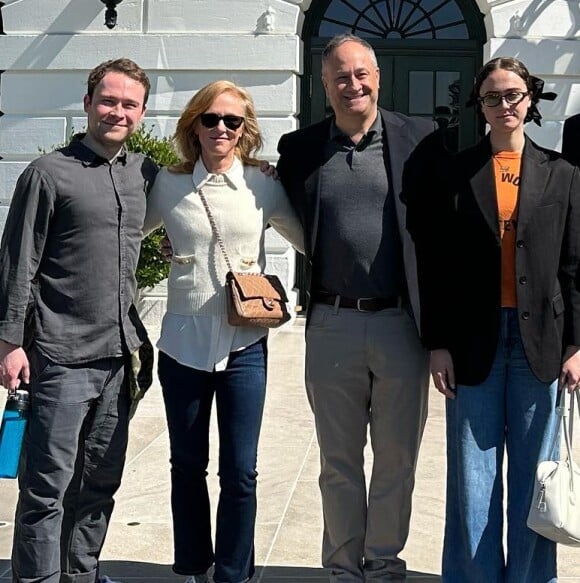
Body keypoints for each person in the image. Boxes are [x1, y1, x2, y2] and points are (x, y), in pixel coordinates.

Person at [405, 57, 580, 582]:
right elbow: (434, 266)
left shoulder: (564, 174)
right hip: (470, 344)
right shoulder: (456, 174)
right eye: (492, 97)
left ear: (529, 100)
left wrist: (576, 345)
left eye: (513, 95)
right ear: (478, 106)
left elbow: (575, 268)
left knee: (533, 480)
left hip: (540, 345)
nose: (504, 105)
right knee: (472, 482)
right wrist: (437, 343)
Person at [276, 34, 436, 582]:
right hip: (332, 323)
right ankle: (343, 569)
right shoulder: (298, 150)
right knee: (337, 463)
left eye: (362, 74)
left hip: (401, 325)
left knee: (397, 461)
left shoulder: (419, 138)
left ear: (378, 77)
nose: (354, 85)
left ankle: (385, 564)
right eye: (341, 76)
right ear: (324, 85)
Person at [0, 58, 157, 583]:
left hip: (120, 359)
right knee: (46, 487)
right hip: (60, 356)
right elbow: (18, 262)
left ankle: (80, 573)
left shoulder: (142, 174)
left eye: (129, 104)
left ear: (142, 113)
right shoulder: (47, 174)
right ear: (87, 104)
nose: (117, 111)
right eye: (108, 100)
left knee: (98, 483)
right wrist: (9, 343)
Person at [143, 80, 303, 583]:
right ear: (194, 124)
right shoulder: (167, 184)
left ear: (245, 129)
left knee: (240, 471)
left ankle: (233, 574)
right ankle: (193, 564)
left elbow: (310, 236)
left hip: (245, 345)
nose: (221, 128)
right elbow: (126, 233)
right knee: (186, 465)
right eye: (210, 119)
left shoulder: (262, 183)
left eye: (232, 121)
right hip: (182, 346)